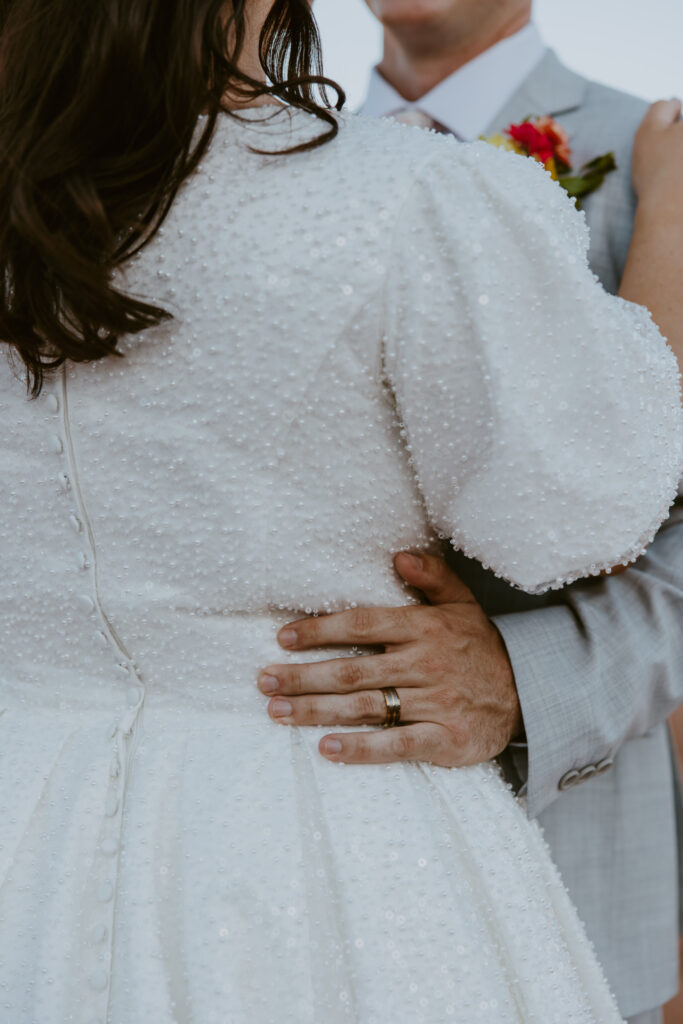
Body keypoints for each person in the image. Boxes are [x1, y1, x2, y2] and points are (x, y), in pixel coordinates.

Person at [0, 1, 681, 1021]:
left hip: (35, 837)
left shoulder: (636, 141)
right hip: (348, 850)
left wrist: (525, 680)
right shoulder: (410, 195)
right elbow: (591, 495)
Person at [263, 3, 683, 1023]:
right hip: (290, 862)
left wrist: (520, 682)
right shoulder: (264, 172)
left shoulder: (653, 161)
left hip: (574, 876)